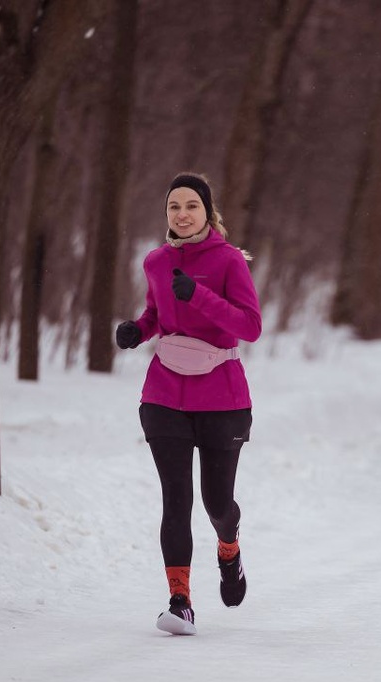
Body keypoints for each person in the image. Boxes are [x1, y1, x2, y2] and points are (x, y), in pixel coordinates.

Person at [115, 173, 262, 635]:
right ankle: (180, 602)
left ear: (207, 211)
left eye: (191, 206)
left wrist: (198, 295)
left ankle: (229, 547)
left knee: (217, 501)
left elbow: (250, 326)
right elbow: (157, 313)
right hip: (164, 394)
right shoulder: (156, 262)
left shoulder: (228, 261)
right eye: (174, 206)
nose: (181, 214)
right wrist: (139, 330)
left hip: (222, 396)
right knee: (175, 500)